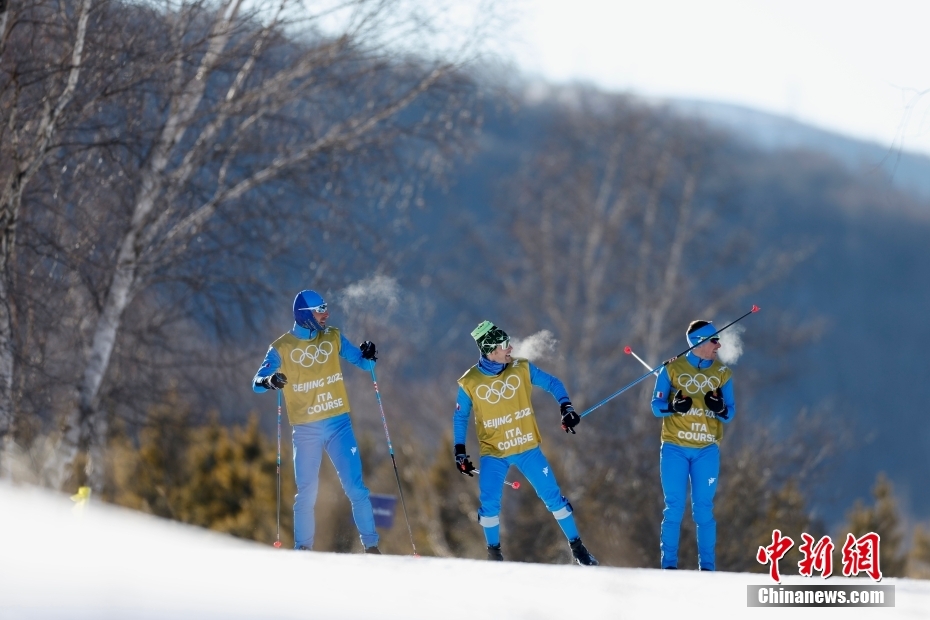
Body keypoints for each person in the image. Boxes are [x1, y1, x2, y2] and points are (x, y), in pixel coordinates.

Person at [453, 320, 598, 565]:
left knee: (554, 498)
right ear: (491, 351)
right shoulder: (470, 382)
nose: (510, 348)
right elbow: (460, 417)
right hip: (494, 454)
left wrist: (566, 407)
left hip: (527, 449)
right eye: (504, 345)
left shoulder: (521, 368)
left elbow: (554, 384)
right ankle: (494, 556)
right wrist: (460, 453)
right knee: (488, 505)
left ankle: (579, 550)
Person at [252, 290, 381, 553]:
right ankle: (303, 551)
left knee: (356, 489)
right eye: (320, 309)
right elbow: (256, 384)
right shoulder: (281, 347)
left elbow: (365, 365)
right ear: (305, 314)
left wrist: (369, 354)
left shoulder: (332, 336)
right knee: (307, 494)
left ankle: (372, 547)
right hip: (306, 429)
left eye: (325, 308)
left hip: (338, 425)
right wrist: (269, 381)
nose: (326, 314)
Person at [650, 320, 737, 571]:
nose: (718, 345)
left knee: (703, 509)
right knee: (674, 507)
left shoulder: (723, 374)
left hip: (706, 450)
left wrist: (719, 408)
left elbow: (730, 413)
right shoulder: (671, 369)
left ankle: (707, 569)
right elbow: (656, 407)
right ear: (699, 342)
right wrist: (673, 407)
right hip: (675, 447)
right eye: (714, 340)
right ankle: (669, 567)